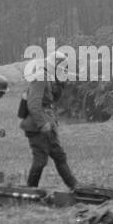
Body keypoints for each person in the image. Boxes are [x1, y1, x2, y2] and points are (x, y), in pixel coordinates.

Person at [21, 60, 80, 191]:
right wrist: (42, 124)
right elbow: (33, 104)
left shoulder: (49, 78)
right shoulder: (41, 77)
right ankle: (30, 190)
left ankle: (74, 186)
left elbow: (52, 99)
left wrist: (60, 83)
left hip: (48, 125)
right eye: (63, 68)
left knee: (59, 156)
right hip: (38, 127)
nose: (65, 71)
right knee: (40, 160)